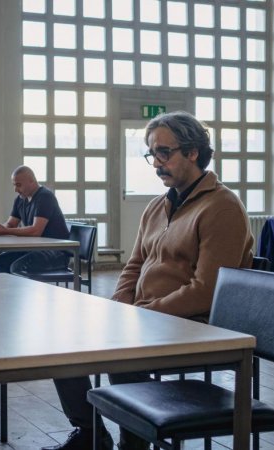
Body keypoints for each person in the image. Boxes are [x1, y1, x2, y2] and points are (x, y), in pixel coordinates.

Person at [43, 111, 254, 450]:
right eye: (152, 154)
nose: (156, 163)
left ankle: (133, 443)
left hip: (196, 324)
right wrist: (120, 307)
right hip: (149, 318)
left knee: (121, 349)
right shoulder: (158, 206)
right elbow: (134, 265)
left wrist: (142, 316)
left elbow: (207, 290)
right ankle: (90, 434)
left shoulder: (222, 207)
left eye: (164, 153)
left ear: (193, 152)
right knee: (60, 340)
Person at [0, 165, 71, 274]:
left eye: (18, 185)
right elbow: (11, 224)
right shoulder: (20, 199)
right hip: (35, 249)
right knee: (0, 261)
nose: (15, 190)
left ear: (31, 181)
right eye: (14, 185)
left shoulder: (45, 197)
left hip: (56, 252)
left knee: (18, 267)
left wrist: (5, 230)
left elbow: (36, 231)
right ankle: (7, 286)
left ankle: (18, 286)